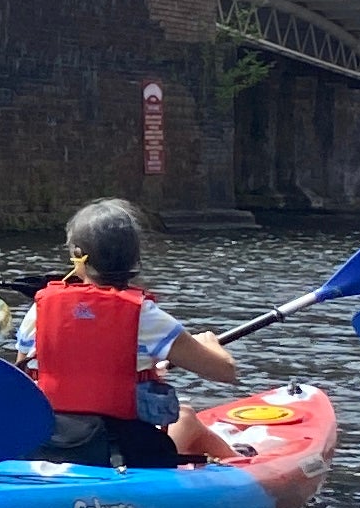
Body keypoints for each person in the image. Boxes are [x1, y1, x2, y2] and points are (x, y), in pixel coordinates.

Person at [17, 198, 247, 468]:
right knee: (185, 417)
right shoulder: (145, 316)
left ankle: (240, 463)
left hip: (48, 443)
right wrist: (210, 344)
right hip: (121, 451)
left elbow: (21, 378)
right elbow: (226, 372)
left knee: (183, 417)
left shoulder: (40, 310)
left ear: (78, 257)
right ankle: (245, 467)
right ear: (134, 258)